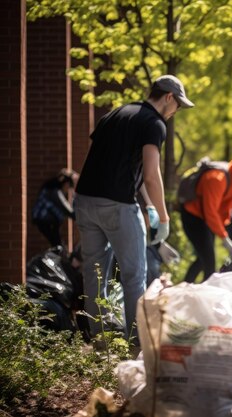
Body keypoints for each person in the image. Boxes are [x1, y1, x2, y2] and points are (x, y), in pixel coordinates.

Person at [74, 74, 194, 341]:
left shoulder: (116, 114)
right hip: (117, 206)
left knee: (94, 273)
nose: (176, 112)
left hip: (85, 200)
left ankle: (100, 340)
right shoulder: (154, 124)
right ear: (168, 98)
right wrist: (164, 218)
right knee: (134, 275)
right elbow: (152, 174)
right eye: (178, 106)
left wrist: (149, 205)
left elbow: (121, 164)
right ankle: (137, 343)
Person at [180, 152, 232, 283]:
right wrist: (225, 238)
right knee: (209, 262)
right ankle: (205, 297)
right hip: (194, 217)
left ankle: (185, 287)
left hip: (205, 219)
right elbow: (211, 212)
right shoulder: (216, 179)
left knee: (203, 259)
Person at [32, 168, 79, 249]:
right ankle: (58, 255)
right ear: (66, 183)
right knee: (57, 243)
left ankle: (58, 252)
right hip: (45, 220)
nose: (68, 190)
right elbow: (66, 208)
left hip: (44, 220)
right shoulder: (54, 192)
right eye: (69, 186)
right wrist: (78, 217)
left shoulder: (50, 188)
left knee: (56, 242)